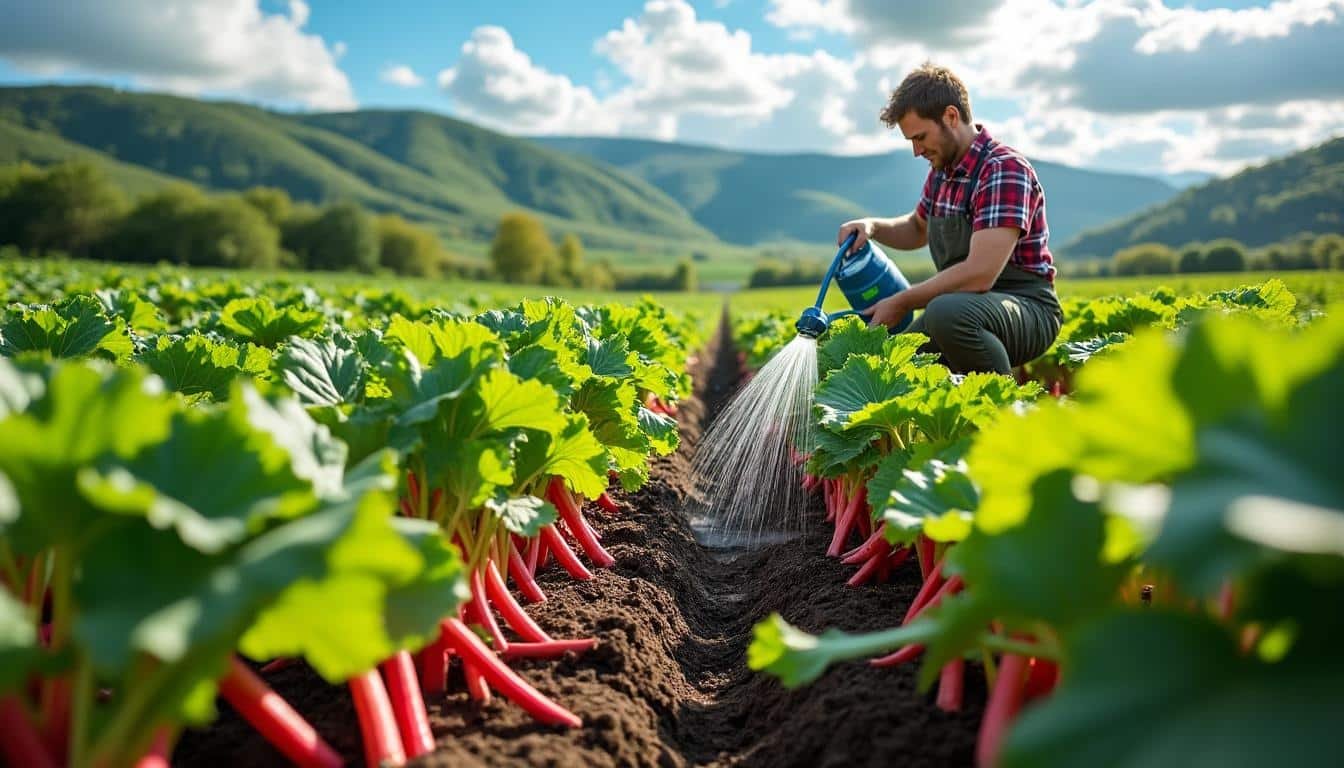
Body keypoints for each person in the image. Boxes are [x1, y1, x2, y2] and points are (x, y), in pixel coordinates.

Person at [841, 63, 1061, 375]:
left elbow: (979, 274)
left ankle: (1003, 414)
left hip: (1026, 308)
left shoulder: (1002, 170)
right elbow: (917, 229)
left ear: (951, 116)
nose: (917, 151)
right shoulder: (940, 175)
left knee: (946, 312)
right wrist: (872, 227)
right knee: (895, 365)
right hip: (964, 306)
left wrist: (903, 301)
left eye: (920, 137)